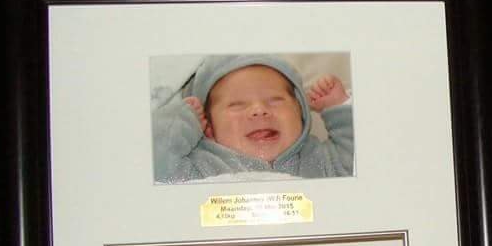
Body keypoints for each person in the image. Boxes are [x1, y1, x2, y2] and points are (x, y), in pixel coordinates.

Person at [152, 54, 354, 183]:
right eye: (237, 105)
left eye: (275, 101)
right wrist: (181, 121)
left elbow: (358, 161)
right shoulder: (199, 167)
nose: (259, 110)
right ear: (208, 127)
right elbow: (155, 166)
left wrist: (338, 108)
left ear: (301, 113)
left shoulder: (321, 161)